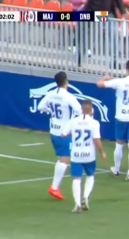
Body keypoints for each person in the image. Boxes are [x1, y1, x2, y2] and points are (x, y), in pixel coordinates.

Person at [37, 72, 82, 200]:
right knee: (65, 159)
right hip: (64, 132)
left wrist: (51, 111)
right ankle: (54, 187)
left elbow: (40, 107)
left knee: (61, 158)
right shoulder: (68, 96)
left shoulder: (51, 94)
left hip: (53, 130)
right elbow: (79, 110)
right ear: (66, 82)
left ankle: (55, 186)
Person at [61, 100, 106, 213]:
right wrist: (102, 152)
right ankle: (85, 196)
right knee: (90, 175)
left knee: (77, 178)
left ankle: (77, 204)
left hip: (76, 155)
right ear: (91, 110)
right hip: (89, 155)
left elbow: (63, 134)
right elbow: (97, 140)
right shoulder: (94, 123)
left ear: (81, 109)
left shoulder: (73, 121)